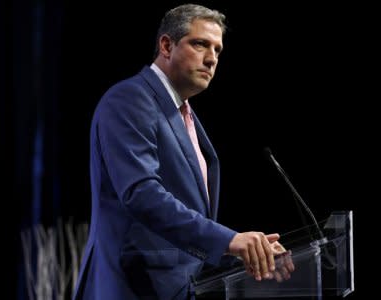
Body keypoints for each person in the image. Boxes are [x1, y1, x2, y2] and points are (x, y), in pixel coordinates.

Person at [72, 4, 293, 300]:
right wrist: (229, 240)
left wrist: (247, 252)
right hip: (130, 288)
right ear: (166, 45)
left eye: (218, 49)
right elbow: (142, 194)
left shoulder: (182, 114)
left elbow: (182, 232)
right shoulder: (129, 100)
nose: (212, 58)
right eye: (200, 44)